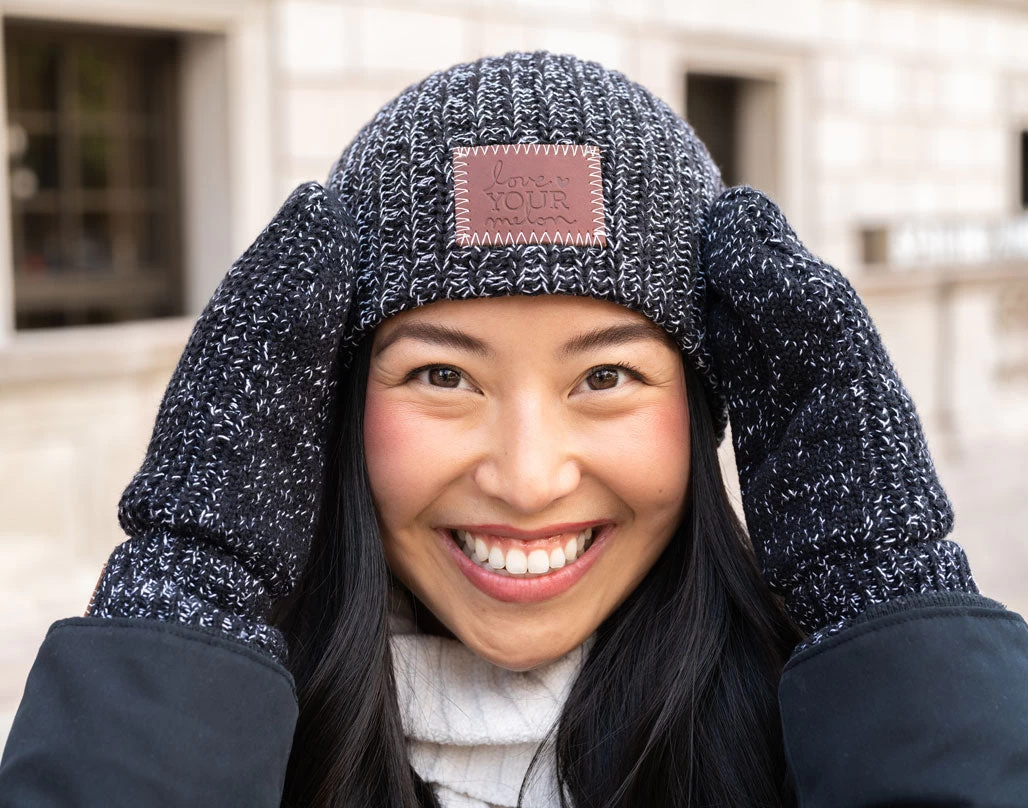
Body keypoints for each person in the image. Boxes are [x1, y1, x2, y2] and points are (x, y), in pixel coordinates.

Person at [1, 50, 1026, 808]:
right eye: (442, 374)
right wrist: (191, 597)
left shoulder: (828, 747)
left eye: (607, 375)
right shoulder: (235, 753)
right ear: (324, 399)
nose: (528, 478)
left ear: (709, 406)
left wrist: (882, 594)